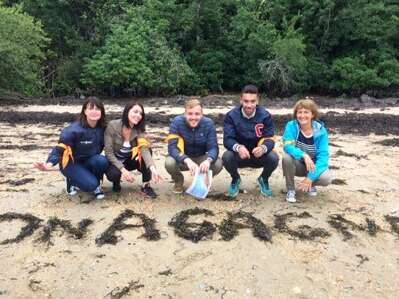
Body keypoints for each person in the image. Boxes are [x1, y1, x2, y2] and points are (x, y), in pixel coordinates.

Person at [34, 97, 108, 199]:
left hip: (90, 160)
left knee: (102, 161)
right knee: (90, 184)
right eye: (91, 108)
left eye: (97, 109)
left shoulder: (103, 129)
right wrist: (48, 164)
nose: (94, 112)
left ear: (102, 112)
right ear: (85, 111)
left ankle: (96, 185)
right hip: (70, 163)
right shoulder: (73, 130)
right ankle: (72, 180)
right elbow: (59, 149)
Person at [223, 84, 279, 198]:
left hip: (257, 155)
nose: (249, 105)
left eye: (252, 101)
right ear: (241, 100)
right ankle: (235, 179)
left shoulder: (265, 116)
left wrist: (263, 148)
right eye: (246, 101)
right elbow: (227, 139)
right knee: (226, 157)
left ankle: (264, 179)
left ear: (257, 101)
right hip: (240, 155)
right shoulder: (231, 116)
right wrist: (238, 147)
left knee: (274, 157)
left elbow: (270, 138)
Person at [104, 101, 162, 198]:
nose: (138, 115)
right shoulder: (112, 126)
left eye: (140, 113)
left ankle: (146, 185)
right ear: (127, 111)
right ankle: (116, 182)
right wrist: (123, 170)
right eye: (135, 112)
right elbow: (108, 152)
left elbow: (144, 150)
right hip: (115, 161)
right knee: (113, 174)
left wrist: (153, 169)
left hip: (130, 160)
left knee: (148, 149)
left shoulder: (139, 130)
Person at [165, 99, 223, 194]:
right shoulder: (177, 122)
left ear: (202, 114)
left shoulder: (208, 124)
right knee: (169, 163)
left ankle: (205, 180)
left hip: (201, 157)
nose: (193, 117)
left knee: (218, 163)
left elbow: (213, 148)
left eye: (197, 114)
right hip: (183, 158)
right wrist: (186, 159)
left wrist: (208, 161)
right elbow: (172, 148)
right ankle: (178, 181)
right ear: (185, 114)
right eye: (190, 114)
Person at [282, 98, 332, 203]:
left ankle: (311, 184)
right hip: (298, 164)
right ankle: (290, 190)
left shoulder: (321, 131)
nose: (302, 115)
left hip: (313, 166)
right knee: (286, 157)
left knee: (326, 178)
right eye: (299, 112)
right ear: (296, 114)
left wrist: (310, 177)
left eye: (306, 112)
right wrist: (304, 155)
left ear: (312, 114)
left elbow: (323, 157)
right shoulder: (291, 126)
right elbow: (287, 146)